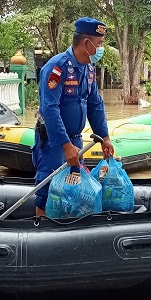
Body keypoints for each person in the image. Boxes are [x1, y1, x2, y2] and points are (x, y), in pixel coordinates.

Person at [32, 17, 115, 216]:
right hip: (54, 142)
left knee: (73, 188)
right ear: (86, 43)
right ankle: (42, 235)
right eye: (99, 44)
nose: (101, 48)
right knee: (48, 192)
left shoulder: (89, 69)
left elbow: (95, 104)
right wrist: (65, 145)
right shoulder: (57, 68)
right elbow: (50, 108)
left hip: (76, 140)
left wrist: (104, 137)